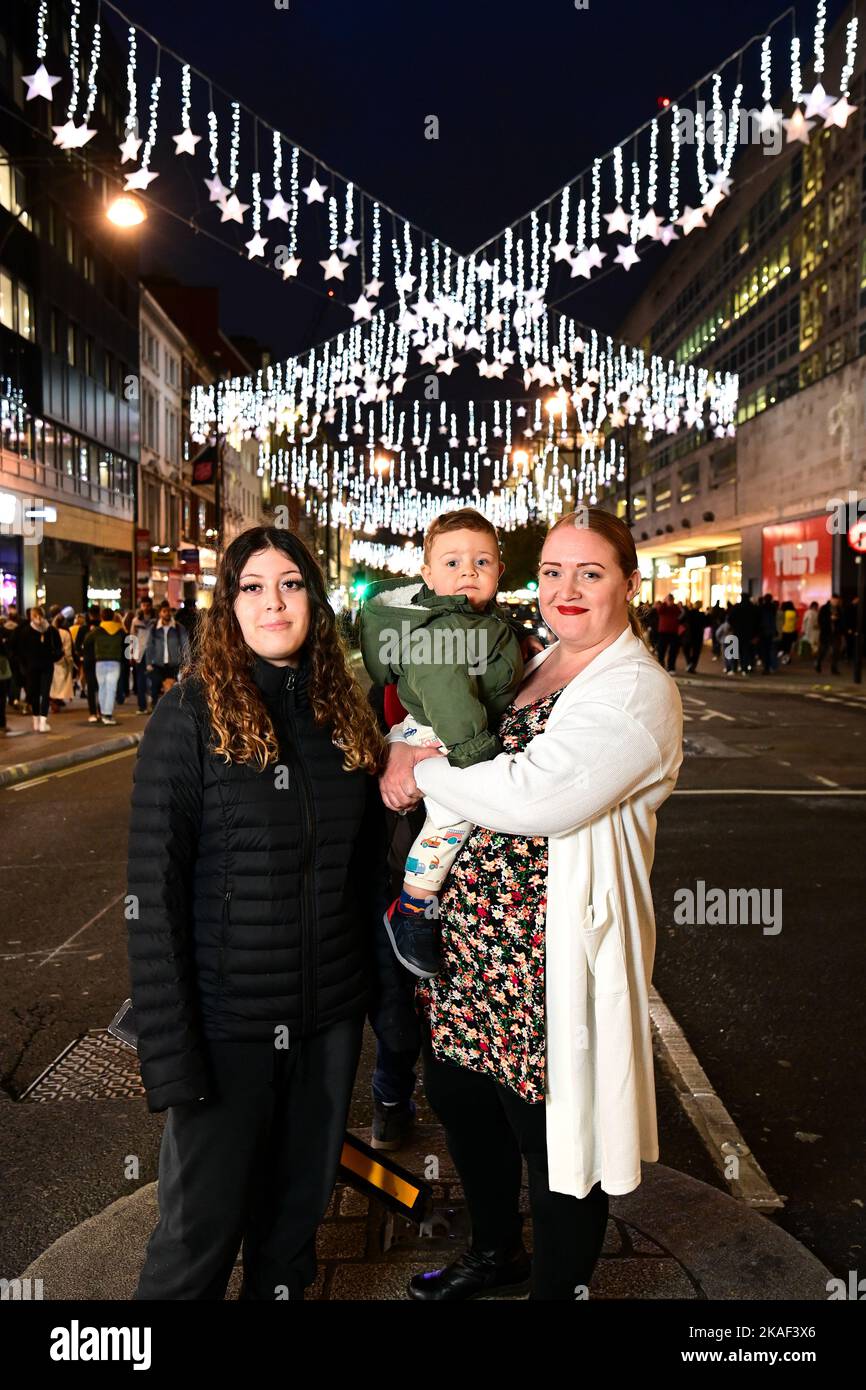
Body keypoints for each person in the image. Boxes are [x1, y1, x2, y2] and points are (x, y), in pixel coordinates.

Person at [380, 508, 683, 1302]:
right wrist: (407, 747)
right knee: (460, 1097)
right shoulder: (538, 658)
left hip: (547, 953)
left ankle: (559, 1290)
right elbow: (442, 722)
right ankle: (494, 1253)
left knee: (553, 1134)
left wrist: (424, 772)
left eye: (591, 573)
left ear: (628, 583)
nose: (567, 588)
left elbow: (537, 795)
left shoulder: (637, 688)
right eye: (553, 572)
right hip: (471, 939)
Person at [127, 524, 389, 1301]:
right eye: (252, 586)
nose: (273, 602)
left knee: (291, 1241)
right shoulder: (189, 716)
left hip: (329, 1026)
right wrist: (172, 1056)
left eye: (290, 584)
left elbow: (368, 880)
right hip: (226, 1030)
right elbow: (152, 899)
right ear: (228, 606)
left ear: (315, 597)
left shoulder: (343, 718)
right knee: (195, 1246)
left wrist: (390, 1015)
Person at [359, 508, 524, 978]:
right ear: (427, 574)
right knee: (455, 812)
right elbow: (449, 695)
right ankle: (414, 904)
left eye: (482, 561)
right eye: (452, 563)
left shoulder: (480, 625)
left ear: (499, 571)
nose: (468, 571)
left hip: (431, 729)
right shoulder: (442, 630)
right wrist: (478, 761)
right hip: (441, 734)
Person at [18, 607, 62, 732]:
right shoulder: (51, 630)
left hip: (32, 667)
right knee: (44, 693)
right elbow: (59, 649)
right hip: (46, 665)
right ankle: (42, 721)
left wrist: (24, 666)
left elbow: (21, 651)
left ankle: (37, 721)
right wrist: (52, 658)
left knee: (36, 693)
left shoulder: (26, 631)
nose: (37, 618)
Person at [145, 602, 191, 707]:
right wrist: (148, 663)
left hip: (173, 663)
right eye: (164, 611)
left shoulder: (179, 628)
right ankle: (154, 708)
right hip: (158, 663)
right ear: (160, 613)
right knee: (155, 687)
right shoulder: (154, 629)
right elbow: (149, 646)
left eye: (168, 611)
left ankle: (171, 709)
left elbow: (186, 646)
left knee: (172, 688)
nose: (167, 613)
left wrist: (187, 663)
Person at [84, 608, 125, 725]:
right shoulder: (120, 630)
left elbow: (86, 642)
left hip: (100, 662)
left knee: (102, 687)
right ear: (113, 617)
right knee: (111, 688)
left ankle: (102, 713)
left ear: (101, 617)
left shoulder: (96, 631)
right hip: (115, 662)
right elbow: (129, 641)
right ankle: (108, 714)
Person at [75, 606, 102, 722]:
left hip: (88, 659)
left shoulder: (83, 628)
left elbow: (77, 645)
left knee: (91, 687)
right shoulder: (103, 627)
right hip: (102, 659)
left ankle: (92, 712)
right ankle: (101, 711)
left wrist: (82, 654)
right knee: (102, 687)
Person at [130, 598, 156, 713]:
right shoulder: (136, 621)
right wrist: (130, 654)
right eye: (143, 605)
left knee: (154, 680)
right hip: (139, 653)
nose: (145, 607)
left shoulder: (156, 620)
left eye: (147, 605)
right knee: (140, 681)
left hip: (153, 653)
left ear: (151, 606)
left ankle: (154, 705)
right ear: (141, 606)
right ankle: (142, 706)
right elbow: (131, 637)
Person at [49, 613, 74, 708]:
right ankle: (57, 699)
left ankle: (54, 699)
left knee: (53, 682)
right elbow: (68, 648)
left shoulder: (49, 631)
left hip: (50, 660)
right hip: (61, 660)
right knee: (61, 682)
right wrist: (69, 660)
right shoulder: (65, 633)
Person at [816, 594, 844, 675]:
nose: (836, 602)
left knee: (836, 651)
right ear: (831, 599)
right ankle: (818, 662)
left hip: (836, 634)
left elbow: (842, 621)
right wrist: (829, 618)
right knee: (823, 650)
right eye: (834, 600)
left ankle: (834, 668)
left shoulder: (839, 609)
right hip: (826, 633)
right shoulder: (824, 608)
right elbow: (820, 620)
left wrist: (841, 630)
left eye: (837, 601)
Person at [655, 593, 682, 671]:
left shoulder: (675, 607)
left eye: (671, 599)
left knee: (673, 651)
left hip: (673, 632)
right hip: (663, 632)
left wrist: (674, 605)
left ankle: (671, 667)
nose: (670, 601)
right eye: (669, 599)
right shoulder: (663, 607)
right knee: (661, 650)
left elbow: (679, 613)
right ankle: (661, 665)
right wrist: (665, 602)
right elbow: (659, 611)